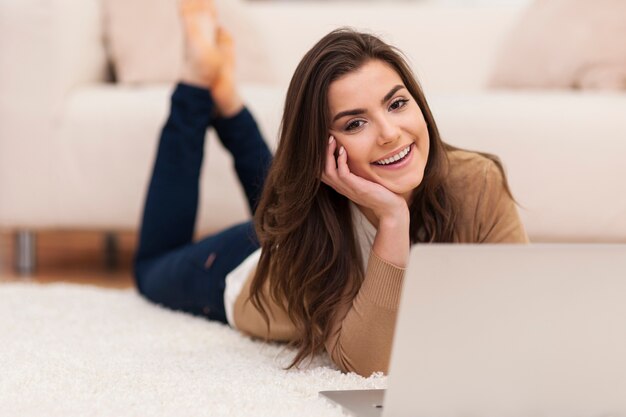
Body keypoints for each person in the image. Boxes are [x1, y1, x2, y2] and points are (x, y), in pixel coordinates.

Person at [134, 0, 528, 378]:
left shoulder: (478, 180)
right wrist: (393, 219)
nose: (391, 134)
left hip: (296, 221)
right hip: (241, 267)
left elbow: (520, 306)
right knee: (150, 269)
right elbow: (368, 364)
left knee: (282, 201)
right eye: (355, 123)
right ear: (326, 149)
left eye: (396, 104)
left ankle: (228, 100)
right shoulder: (314, 234)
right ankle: (195, 83)